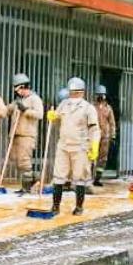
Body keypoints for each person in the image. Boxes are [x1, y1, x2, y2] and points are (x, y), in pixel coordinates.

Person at [47, 77, 100, 215]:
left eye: (76, 93)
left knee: (79, 177)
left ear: (82, 93)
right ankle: (55, 206)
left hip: (80, 147)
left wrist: (94, 146)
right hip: (63, 146)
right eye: (71, 93)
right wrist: (53, 115)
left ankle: (79, 207)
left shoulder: (89, 108)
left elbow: (95, 130)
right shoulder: (64, 104)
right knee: (58, 176)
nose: (73, 96)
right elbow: (57, 115)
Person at [7, 73, 45, 195]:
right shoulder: (18, 100)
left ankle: (28, 186)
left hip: (27, 135)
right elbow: (7, 110)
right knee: (18, 161)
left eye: (18, 89)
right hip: (16, 134)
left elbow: (40, 115)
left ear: (23, 86)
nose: (17, 92)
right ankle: (29, 183)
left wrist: (26, 110)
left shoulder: (35, 99)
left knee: (24, 161)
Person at [92, 85, 117, 187]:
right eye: (99, 95)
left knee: (103, 158)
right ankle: (89, 177)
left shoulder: (108, 108)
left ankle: (97, 178)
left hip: (105, 136)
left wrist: (113, 135)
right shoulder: (92, 107)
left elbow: (112, 123)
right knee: (91, 156)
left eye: (102, 95)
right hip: (93, 135)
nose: (101, 97)